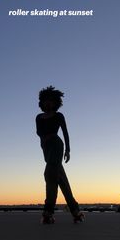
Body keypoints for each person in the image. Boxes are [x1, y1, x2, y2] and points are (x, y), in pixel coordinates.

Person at [36, 85, 84, 224]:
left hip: (57, 145)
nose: (48, 103)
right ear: (42, 102)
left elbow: (65, 132)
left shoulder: (59, 116)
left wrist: (68, 150)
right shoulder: (39, 117)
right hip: (45, 147)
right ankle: (75, 211)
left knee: (49, 176)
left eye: (51, 100)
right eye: (46, 100)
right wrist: (45, 139)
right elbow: (39, 132)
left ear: (56, 102)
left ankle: (48, 212)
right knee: (60, 179)